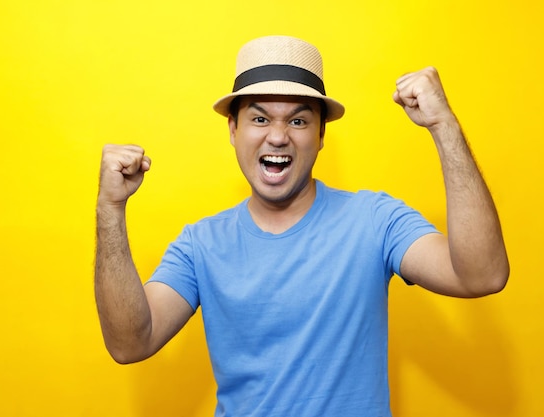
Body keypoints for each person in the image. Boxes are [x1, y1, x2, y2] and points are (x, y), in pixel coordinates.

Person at [95, 35, 509, 416]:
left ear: (321, 134)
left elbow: (482, 275)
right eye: (259, 119)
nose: (278, 137)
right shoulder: (200, 245)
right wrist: (110, 209)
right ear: (233, 130)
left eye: (297, 121)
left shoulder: (376, 221)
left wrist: (444, 127)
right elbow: (131, 343)